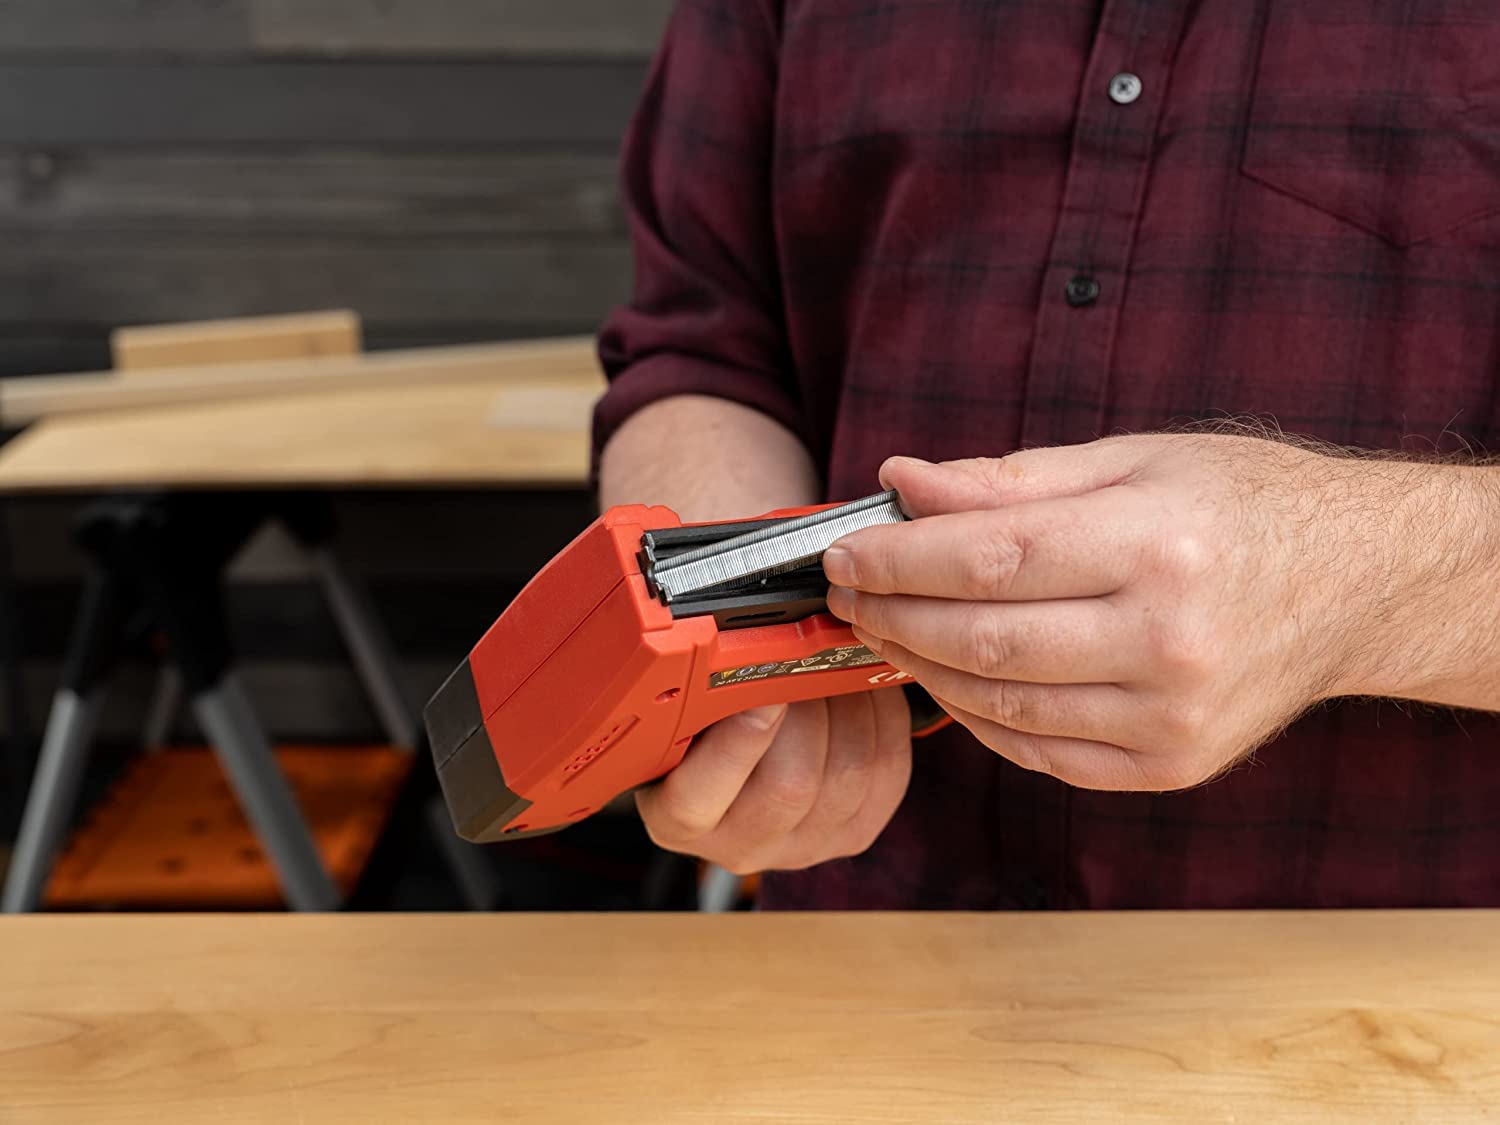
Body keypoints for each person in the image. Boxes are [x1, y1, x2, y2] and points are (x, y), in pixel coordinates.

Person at [593, 0, 1500, 909]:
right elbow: (703, 346)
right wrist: (730, 677)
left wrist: (1341, 578)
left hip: (1402, 968)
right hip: (861, 936)